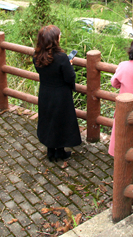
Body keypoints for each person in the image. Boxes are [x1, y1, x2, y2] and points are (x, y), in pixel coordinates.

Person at [33, 25, 81, 162]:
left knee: (48, 119)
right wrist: (69, 65)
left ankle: (50, 151)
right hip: (60, 95)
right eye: (59, 35)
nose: (60, 37)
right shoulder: (61, 58)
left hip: (45, 92)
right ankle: (59, 152)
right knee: (60, 121)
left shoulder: (36, 55)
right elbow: (70, 77)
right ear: (54, 40)